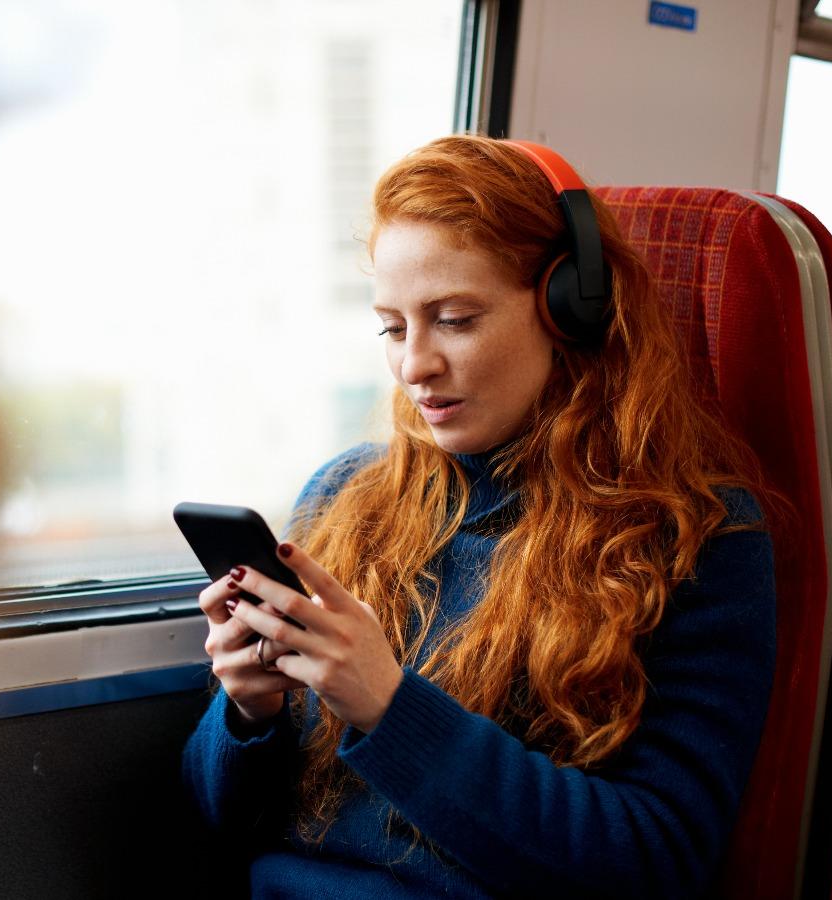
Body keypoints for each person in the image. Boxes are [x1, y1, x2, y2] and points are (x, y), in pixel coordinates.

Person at [182, 135, 779, 898]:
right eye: (393, 328)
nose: (414, 365)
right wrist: (246, 711)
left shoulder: (693, 537)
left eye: (455, 319)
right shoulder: (343, 497)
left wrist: (390, 707)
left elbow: (654, 861)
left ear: (572, 308)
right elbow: (221, 822)